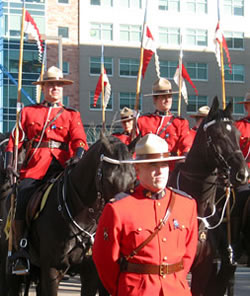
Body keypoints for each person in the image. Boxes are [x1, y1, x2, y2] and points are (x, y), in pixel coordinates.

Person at [5, 66, 89, 274]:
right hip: (35, 167)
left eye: (58, 85)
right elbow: (15, 142)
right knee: (23, 196)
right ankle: (21, 248)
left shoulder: (71, 115)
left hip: (62, 167)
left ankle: (85, 245)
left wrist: (78, 156)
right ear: (43, 88)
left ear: (62, 89)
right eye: (50, 84)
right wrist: (9, 163)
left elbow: (79, 140)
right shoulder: (28, 112)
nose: (55, 88)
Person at [93, 134, 198, 296]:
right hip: (137, 290)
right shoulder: (118, 208)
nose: (159, 171)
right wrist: (122, 289)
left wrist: (176, 279)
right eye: (152, 165)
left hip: (176, 289)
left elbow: (189, 254)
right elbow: (104, 261)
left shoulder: (187, 205)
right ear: (137, 169)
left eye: (164, 165)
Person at [136, 77, 192, 171]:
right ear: (155, 99)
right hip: (147, 169)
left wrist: (184, 160)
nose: (167, 100)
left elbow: (186, 146)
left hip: (171, 170)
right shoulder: (143, 121)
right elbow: (135, 147)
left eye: (169, 96)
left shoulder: (180, 123)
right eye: (163, 97)